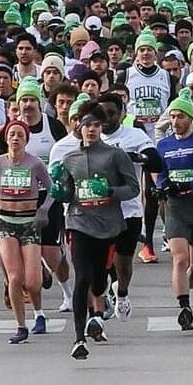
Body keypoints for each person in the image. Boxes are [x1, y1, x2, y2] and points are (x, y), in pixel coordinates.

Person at [53, 106, 141, 360]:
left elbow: (133, 188)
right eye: (86, 125)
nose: (91, 130)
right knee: (82, 277)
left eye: (95, 126)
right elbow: (69, 192)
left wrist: (111, 191)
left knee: (99, 279)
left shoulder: (115, 156)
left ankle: (100, 306)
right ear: (78, 128)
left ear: (101, 128)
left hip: (108, 226)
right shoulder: (70, 159)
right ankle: (79, 338)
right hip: (79, 223)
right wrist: (61, 191)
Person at [154, 100, 193, 330]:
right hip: (175, 208)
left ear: (190, 118)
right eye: (172, 117)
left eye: (180, 116)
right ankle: (184, 307)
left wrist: (187, 184)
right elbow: (160, 174)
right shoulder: (164, 145)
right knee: (180, 258)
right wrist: (163, 186)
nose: (175, 122)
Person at [0, 120, 50, 342]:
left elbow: (53, 190)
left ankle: (39, 312)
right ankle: (21, 326)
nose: (15, 138)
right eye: (12, 134)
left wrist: (44, 209)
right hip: (6, 223)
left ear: (26, 140)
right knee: (14, 276)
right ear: (5, 138)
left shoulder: (35, 164)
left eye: (20, 135)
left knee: (32, 281)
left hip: (30, 223)